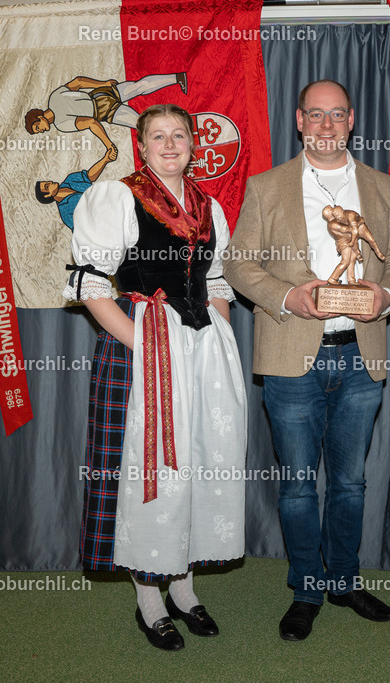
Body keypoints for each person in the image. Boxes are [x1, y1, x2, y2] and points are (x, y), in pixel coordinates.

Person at [224, 79, 390, 641]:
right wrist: (288, 296)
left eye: (337, 115)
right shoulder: (266, 187)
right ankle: (307, 586)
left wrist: (387, 295)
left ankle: (345, 580)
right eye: (316, 116)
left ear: (352, 120)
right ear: (300, 122)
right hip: (291, 357)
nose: (327, 126)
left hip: (361, 357)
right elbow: (238, 264)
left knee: (350, 484)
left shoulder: (381, 187)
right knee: (300, 485)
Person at [64, 103, 246, 651]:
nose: (170, 145)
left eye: (179, 135)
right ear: (141, 146)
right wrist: (146, 343)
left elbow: (217, 280)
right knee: (151, 466)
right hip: (143, 346)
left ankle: (185, 590)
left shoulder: (209, 205)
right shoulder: (118, 196)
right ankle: (149, 601)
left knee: (195, 457)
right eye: (158, 136)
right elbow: (91, 287)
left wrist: (217, 335)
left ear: (194, 145)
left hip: (202, 350)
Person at [26, 73, 188, 154]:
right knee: (141, 120)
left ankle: (178, 78)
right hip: (104, 105)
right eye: (38, 131)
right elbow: (90, 121)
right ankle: (175, 124)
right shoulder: (60, 122)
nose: (41, 130)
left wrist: (108, 144)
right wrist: (102, 84)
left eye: (37, 127)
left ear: (38, 117)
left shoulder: (56, 105)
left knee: (140, 90)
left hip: (102, 101)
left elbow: (79, 83)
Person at [35, 145, 117, 231]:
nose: (50, 182)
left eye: (47, 182)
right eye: (47, 186)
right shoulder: (65, 212)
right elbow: (81, 231)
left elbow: (89, 176)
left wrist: (105, 159)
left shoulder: (70, 179)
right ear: (48, 195)